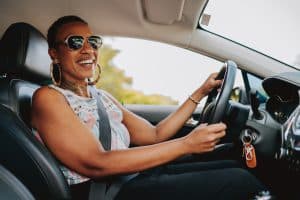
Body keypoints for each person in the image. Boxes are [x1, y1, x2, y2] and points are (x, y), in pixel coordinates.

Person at [31, 15, 266, 200]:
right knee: (240, 181)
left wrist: (200, 92)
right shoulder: (48, 97)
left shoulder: (101, 96)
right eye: (75, 42)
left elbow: (155, 134)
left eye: (93, 42)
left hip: (132, 177)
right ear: (55, 54)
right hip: (105, 192)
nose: (88, 50)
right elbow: (97, 162)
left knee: (233, 159)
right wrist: (186, 144)